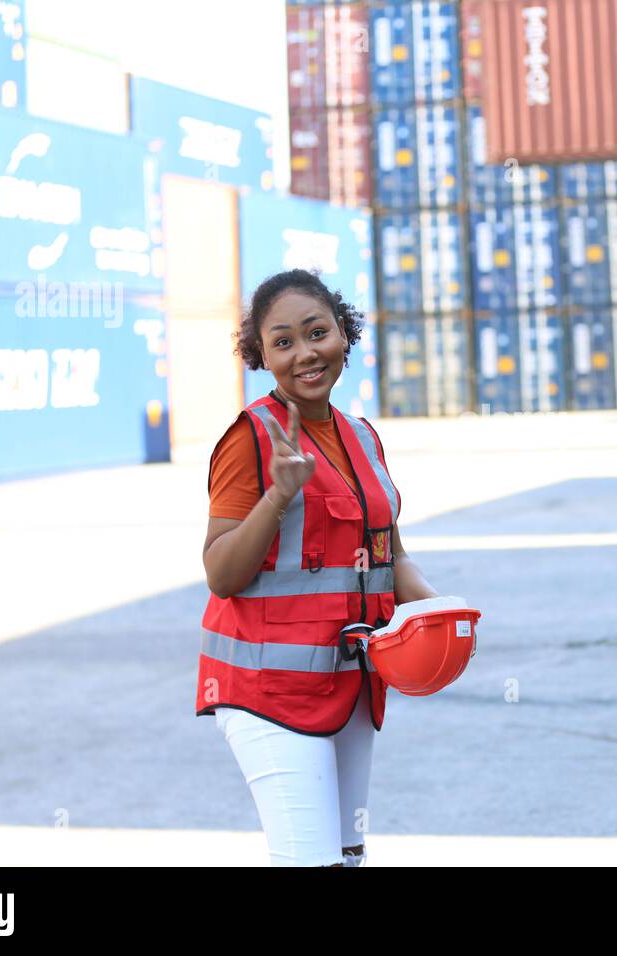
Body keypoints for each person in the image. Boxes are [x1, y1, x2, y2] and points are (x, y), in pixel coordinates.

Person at [197, 268, 439, 867]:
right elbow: (221, 574)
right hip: (269, 692)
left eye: (316, 332)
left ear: (343, 335)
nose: (305, 353)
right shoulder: (251, 438)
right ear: (262, 356)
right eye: (283, 342)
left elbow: (391, 556)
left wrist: (441, 613)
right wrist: (278, 496)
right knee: (310, 860)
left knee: (348, 858)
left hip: (351, 686)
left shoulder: (362, 437)